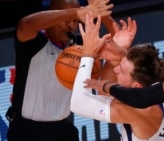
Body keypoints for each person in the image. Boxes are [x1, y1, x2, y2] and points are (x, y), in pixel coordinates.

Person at [5, 0, 114, 140]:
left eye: (75, 21)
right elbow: (25, 24)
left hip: (63, 130)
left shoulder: (82, 47)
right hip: (27, 131)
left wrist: (104, 16)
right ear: (53, 14)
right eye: (65, 20)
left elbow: (119, 43)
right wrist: (75, 12)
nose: (70, 25)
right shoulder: (33, 44)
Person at [70, 12, 164, 141]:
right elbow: (105, 93)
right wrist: (119, 53)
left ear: (137, 86)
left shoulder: (140, 109)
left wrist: (88, 53)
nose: (116, 69)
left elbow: (78, 103)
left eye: (122, 70)